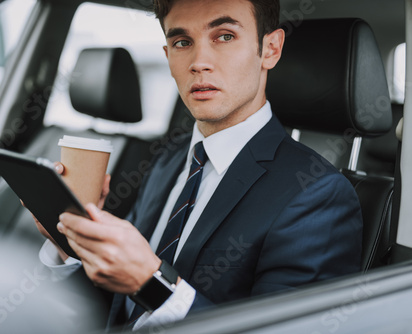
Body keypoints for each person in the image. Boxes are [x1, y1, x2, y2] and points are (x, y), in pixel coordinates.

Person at [34, 0, 363, 331]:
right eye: (182, 43)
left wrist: (153, 284)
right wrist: (68, 244)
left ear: (270, 49)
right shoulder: (169, 160)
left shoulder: (318, 194)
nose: (199, 62)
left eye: (224, 36)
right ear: (168, 57)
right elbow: (121, 306)